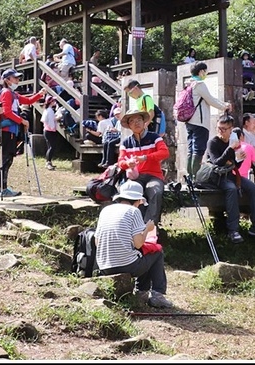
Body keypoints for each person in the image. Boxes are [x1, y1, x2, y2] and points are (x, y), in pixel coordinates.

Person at [95, 180, 173, 309]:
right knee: (156, 252)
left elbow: (97, 242)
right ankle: (156, 295)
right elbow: (138, 244)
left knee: (143, 255)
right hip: (127, 265)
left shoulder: (106, 210)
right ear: (137, 200)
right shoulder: (133, 212)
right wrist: (147, 229)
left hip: (104, 265)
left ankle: (141, 292)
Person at [204, 114, 255, 243]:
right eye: (219, 128)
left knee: (254, 189)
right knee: (232, 189)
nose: (220, 131)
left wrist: (239, 158)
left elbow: (235, 163)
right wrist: (230, 150)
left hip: (231, 174)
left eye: (224, 129)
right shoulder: (213, 142)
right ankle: (233, 229)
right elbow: (217, 162)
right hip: (218, 176)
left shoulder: (234, 142)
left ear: (231, 129)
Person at [0, 69, 45, 198]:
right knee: (6, 160)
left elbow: (27, 101)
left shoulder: (13, 94)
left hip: (13, 130)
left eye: (17, 78)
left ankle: (3, 188)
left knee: (9, 159)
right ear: (7, 80)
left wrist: (39, 95)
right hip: (7, 131)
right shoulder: (6, 93)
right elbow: (8, 112)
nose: (17, 80)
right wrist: (22, 121)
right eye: (14, 78)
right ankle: (2, 189)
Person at [117, 108, 170, 228]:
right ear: (129, 125)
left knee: (155, 191)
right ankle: (130, 226)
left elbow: (165, 152)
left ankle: (149, 227)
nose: (136, 123)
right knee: (128, 193)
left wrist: (146, 157)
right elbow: (120, 162)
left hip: (154, 176)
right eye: (132, 121)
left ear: (144, 122)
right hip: (136, 177)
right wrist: (127, 163)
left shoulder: (154, 137)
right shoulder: (126, 143)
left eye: (139, 120)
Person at [184, 61, 234, 177]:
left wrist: (222, 104)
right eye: (205, 71)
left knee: (191, 149)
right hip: (200, 122)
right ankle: (195, 176)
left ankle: (190, 177)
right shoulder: (199, 84)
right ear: (201, 71)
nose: (205, 74)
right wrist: (224, 106)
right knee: (198, 149)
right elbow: (210, 99)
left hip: (189, 121)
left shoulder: (189, 84)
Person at [41, 95, 60, 171]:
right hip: (49, 131)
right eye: (53, 101)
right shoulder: (49, 110)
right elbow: (48, 120)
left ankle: (49, 161)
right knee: (51, 147)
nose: (55, 102)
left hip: (48, 130)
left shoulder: (47, 110)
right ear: (51, 102)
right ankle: (48, 162)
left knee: (50, 147)